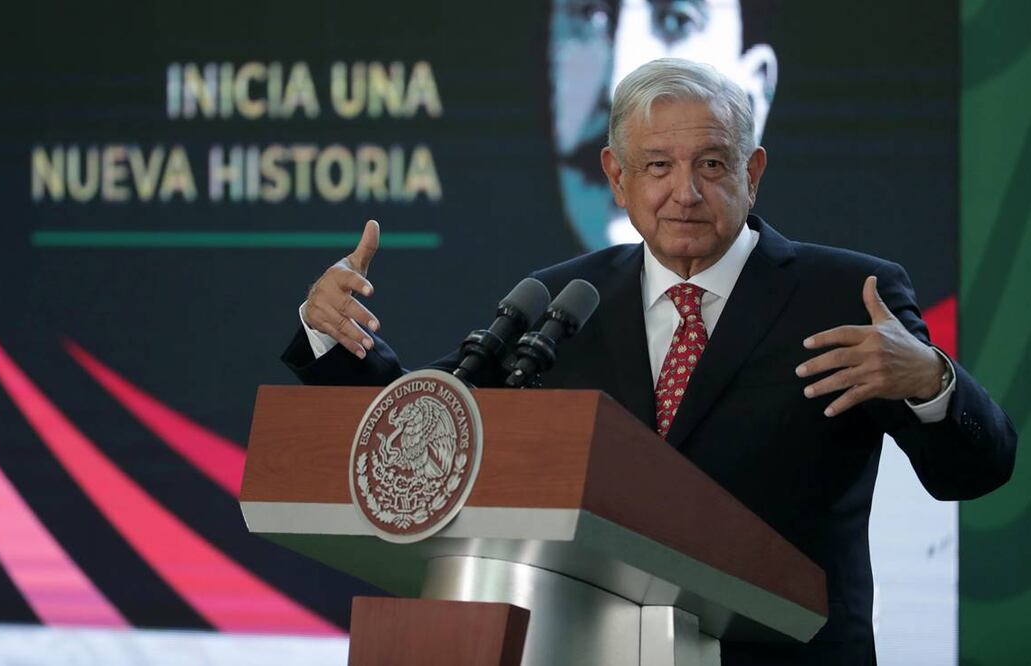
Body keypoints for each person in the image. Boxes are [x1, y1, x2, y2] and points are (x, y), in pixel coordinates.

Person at [283, 59, 1016, 665]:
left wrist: (932, 384)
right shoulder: (565, 299)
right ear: (617, 176)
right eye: (657, 166)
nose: (684, 193)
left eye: (711, 164)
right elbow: (436, 419)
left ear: (752, 171)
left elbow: (974, 471)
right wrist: (336, 339)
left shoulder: (846, 293)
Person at [549, 0, 778, 249]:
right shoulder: (537, 286)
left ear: (752, 100)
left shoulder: (822, 285)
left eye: (677, 20)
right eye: (591, 15)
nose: (616, 89)